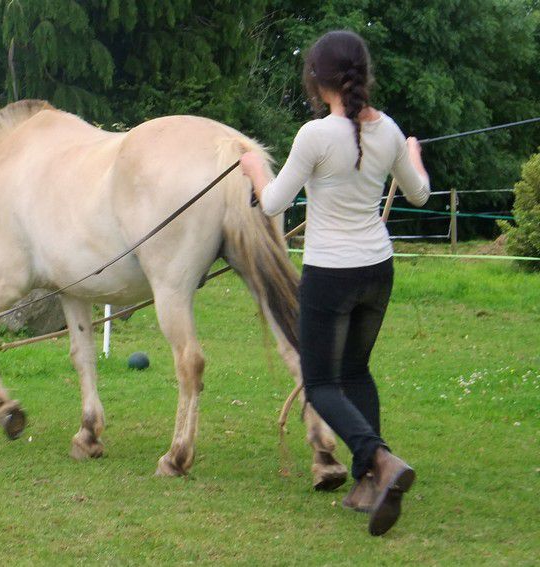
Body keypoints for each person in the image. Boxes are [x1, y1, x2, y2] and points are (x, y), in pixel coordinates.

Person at [240, 30, 430, 536]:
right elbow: (420, 194)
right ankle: (372, 482)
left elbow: (273, 201)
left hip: (331, 274)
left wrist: (254, 168)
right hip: (378, 270)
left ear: (316, 80)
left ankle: (380, 460)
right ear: (363, 74)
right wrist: (412, 153)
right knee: (356, 372)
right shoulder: (390, 131)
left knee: (321, 383)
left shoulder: (315, 135)